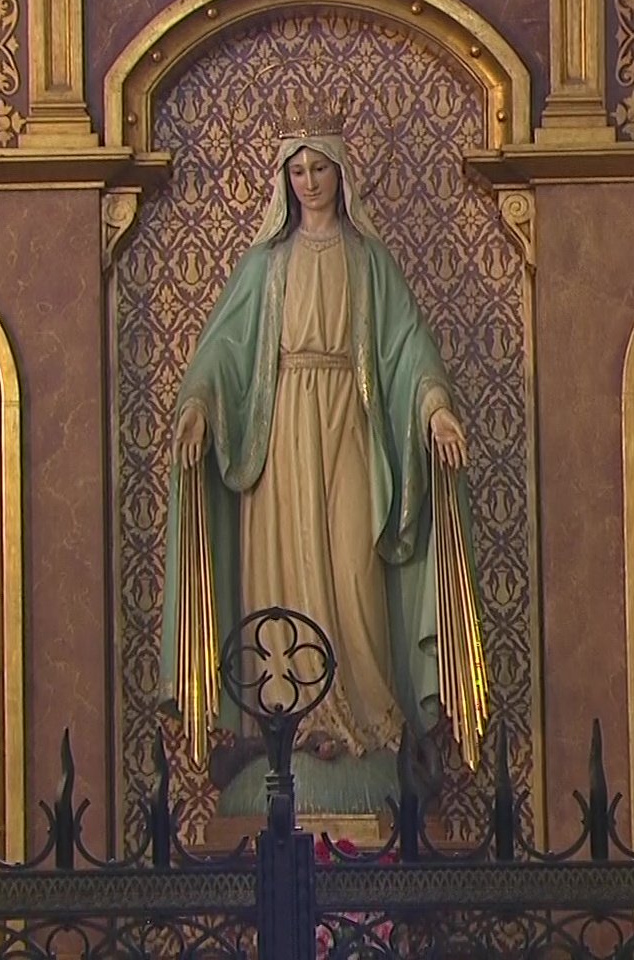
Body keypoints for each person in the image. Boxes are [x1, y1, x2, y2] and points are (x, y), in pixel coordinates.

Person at [159, 92, 488, 816]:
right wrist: (199, 403)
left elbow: (406, 348)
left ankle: (366, 717)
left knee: (351, 566)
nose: (309, 181)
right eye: (298, 170)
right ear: (285, 179)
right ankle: (292, 726)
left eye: (320, 168)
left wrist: (435, 408)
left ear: (343, 173)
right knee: (284, 579)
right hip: (278, 439)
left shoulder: (369, 262)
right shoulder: (265, 265)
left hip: (348, 429)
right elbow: (225, 349)